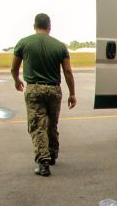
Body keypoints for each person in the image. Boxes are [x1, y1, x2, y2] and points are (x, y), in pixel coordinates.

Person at [11, 13, 76, 177]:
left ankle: (43, 162)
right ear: (49, 27)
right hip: (54, 90)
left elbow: (14, 68)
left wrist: (16, 80)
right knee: (52, 124)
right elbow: (67, 71)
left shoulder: (23, 43)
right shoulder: (60, 46)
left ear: (34, 26)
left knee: (37, 125)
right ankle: (53, 154)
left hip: (34, 90)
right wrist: (72, 93)